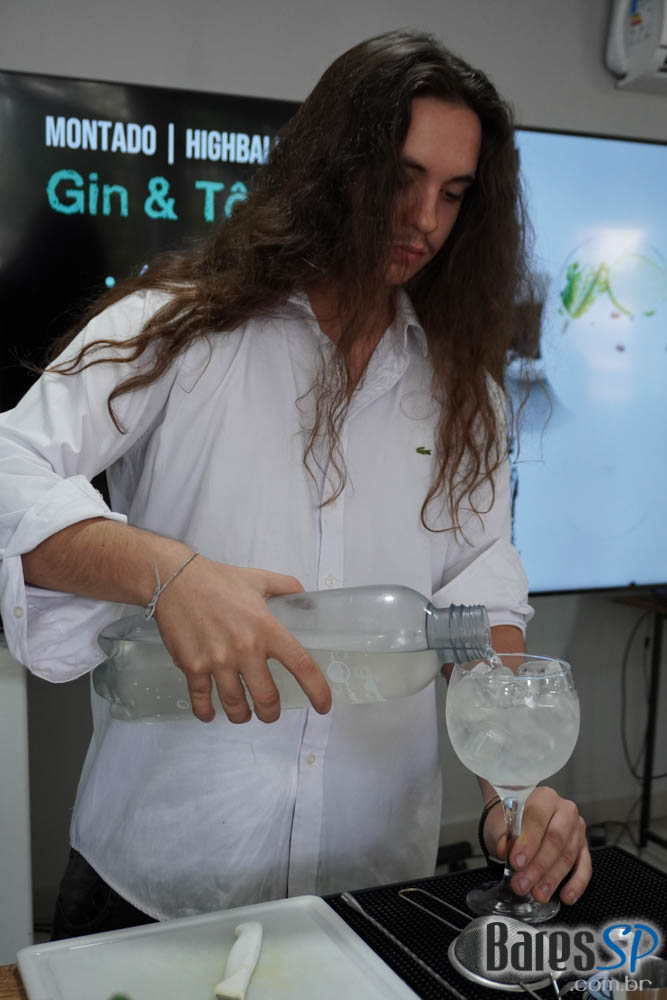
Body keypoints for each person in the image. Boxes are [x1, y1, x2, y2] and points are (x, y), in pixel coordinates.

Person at [0, 29, 590, 937]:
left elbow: (477, 588)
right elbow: (10, 467)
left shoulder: (462, 393)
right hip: (159, 874)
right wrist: (169, 574)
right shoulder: (177, 328)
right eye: (401, 177)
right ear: (331, 165)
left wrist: (509, 784)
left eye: (452, 193)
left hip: (370, 882)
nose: (424, 220)